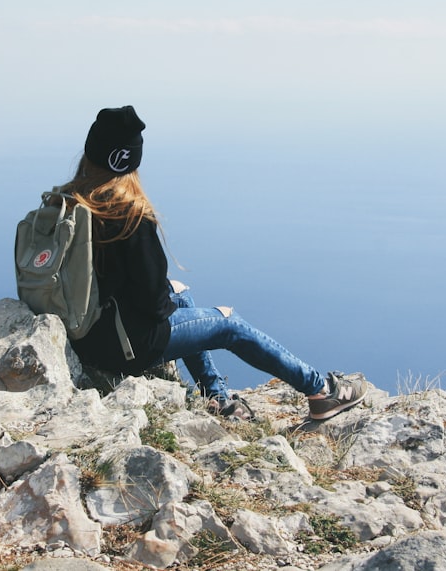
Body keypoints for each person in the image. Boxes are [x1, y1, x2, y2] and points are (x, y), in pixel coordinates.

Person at [62, 105, 367, 422]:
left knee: (181, 295)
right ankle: (322, 392)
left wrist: (166, 296)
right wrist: (164, 300)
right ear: (130, 160)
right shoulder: (127, 216)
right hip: (124, 346)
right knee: (229, 323)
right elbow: (152, 306)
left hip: (86, 337)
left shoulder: (67, 203)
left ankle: (217, 397)